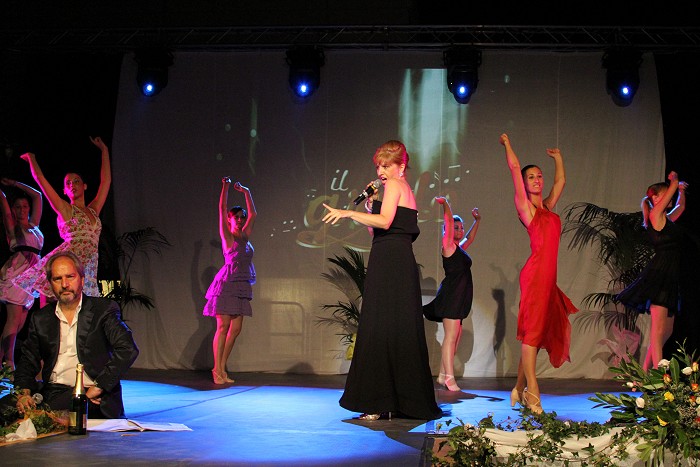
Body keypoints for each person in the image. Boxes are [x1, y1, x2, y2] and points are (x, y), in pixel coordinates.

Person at [322, 140, 441, 421]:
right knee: (394, 328)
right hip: (394, 260)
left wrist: (348, 212)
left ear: (401, 166)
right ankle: (397, 400)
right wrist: (369, 207)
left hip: (390, 262)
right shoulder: (402, 189)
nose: (381, 171)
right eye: (378, 166)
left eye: (386, 165)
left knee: (379, 327)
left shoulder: (396, 185)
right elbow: (379, 230)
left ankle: (377, 401)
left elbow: (386, 222)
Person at [499, 133, 578, 414]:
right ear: (524, 183)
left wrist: (558, 159)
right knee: (532, 334)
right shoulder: (526, 207)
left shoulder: (547, 206)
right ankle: (533, 391)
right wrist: (508, 144)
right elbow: (513, 167)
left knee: (535, 336)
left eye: (539, 176)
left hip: (548, 278)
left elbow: (561, 182)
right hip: (535, 276)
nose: (537, 180)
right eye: (531, 177)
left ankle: (518, 388)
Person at [12, 251, 138, 418]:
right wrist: (24, 394)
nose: (64, 284)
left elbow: (127, 349)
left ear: (82, 280)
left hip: (91, 394)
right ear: (50, 283)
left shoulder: (103, 310)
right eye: (57, 279)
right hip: (51, 391)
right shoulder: (41, 318)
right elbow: (28, 360)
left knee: (51, 412)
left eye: (70, 277)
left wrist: (98, 387)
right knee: (6, 408)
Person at [13, 136, 111, 299]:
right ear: (65, 191)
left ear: (85, 186)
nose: (72, 185)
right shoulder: (66, 209)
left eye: (76, 181)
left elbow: (106, 181)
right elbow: (41, 180)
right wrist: (32, 160)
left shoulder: (94, 209)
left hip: (88, 266)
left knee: (85, 306)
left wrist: (104, 150)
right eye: (68, 183)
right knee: (60, 301)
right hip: (69, 262)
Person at [616, 172, 687, 370]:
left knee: (667, 330)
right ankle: (658, 375)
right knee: (658, 330)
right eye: (665, 194)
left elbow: (681, 207)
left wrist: (681, 191)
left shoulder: (667, 219)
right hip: (659, 275)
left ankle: (646, 373)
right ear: (655, 198)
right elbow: (671, 191)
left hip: (670, 276)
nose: (669, 197)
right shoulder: (655, 216)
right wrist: (674, 181)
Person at [423, 196, 480, 392]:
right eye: (456, 227)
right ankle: (449, 378)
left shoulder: (458, 248)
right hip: (451, 296)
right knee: (451, 336)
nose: (460, 230)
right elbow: (447, 221)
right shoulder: (447, 246)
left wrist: (477, 221)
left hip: (459, 297)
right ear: (448, 230)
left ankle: (442, 375)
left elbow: (470, 238)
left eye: (461, 227)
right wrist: (446, 204)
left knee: (455, 336)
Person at [203, 178, 257, 385]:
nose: (241, 220)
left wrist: (246, 191)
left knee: (235, 329)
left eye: (242, 217)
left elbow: (254, 214)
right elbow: (221, 208)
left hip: (241, 286)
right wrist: (225, 187)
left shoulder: (245, 236)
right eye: (237, 217)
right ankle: (216, 369)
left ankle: (222, 367)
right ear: (230, 219)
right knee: (223, 326)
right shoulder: (228, 236)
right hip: (227, 285)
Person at [0, 179, 44, 371]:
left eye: (25, 206)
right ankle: (9, 364)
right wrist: (4, 191)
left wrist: (14, 183)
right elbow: (3, 201)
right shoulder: (12, 226)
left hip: (32, 278)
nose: (22, 210)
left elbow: (38, 196)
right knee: (12, 322)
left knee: (18, 326)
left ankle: (2, 364)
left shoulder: (34, 226)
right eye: (17, 207)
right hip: (17, 275)